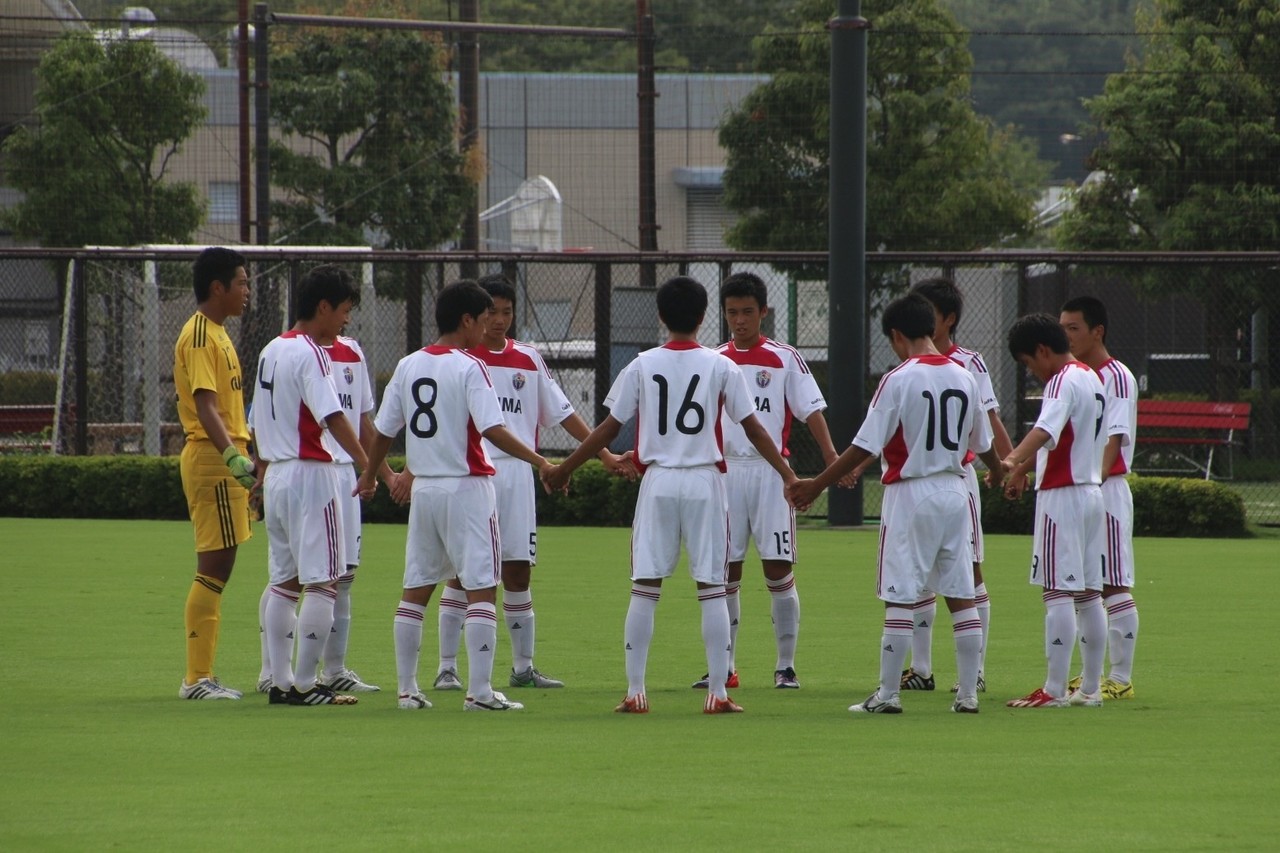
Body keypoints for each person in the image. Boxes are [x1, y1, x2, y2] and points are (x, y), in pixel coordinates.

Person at [542, 275, 799, 715]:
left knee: (645, 586)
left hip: (658, 481)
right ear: (704, 318)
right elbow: (754, 429)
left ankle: (636, 690)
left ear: (661, 317)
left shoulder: (642, 363)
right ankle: (717, 693)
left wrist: (565, 466)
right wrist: (788, 474)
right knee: (713, 587)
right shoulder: (722, 366)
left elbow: (608, 426)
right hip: (704, 480)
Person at [788, 293, 1000, 714]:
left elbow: (862, 446)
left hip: (911, 493)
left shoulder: (898, 378)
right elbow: (984, 443)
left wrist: (817, 485)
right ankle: (969, 695)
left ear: (897, 335)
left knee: (900, 594)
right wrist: (1001, 470)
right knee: (961, 592)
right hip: (957, 491)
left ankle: (887, 695)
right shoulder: (964, 376)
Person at [358, 279, 556, 712]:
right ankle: (480, 694)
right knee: (482, 588)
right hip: (467, 488)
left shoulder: (408, 365)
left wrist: (373, 477)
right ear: (467, 320)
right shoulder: (471, 367)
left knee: (416, 590)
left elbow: (382, 433)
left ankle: (408, 690)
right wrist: (540, 461)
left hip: (425, 491)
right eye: (484, 319)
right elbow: (493, 430)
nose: (488, 328)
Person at [429, 274, 629, 693]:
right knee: (460, 573)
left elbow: (561, 411)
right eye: (492, 313)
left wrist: (605, 453)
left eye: (506, 312)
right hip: (471, 473)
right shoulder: (460, 361)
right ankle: (447, 667)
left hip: (517, 477)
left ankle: (523, 667)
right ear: (476, 316)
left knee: (518, 570)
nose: (499, 321)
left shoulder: (528, 359)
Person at [693, 271, 844, 691]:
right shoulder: (714, 359)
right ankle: (724, 666)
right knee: (725, 571)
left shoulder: (784, 357)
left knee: (778, 570)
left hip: (771, 474)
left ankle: (785, 665)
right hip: (724, 474)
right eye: (731, 313)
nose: (739, 320)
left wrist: (832, 458)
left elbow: (812, 411)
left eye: (747, 312)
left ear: (763, 312)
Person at [254, 282, 399, 696]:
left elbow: (258, 419)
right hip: (312, 475)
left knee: (284, 582)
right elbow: (335, 417)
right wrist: (368, 469)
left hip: (277, 475)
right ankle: (305, 684)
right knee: (324, 582)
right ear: (323, 306)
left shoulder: (271, 349)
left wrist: (261, 471)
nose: (346, 319)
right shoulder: (311, 353)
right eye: (343, 310)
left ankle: (280, 682)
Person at [898, 277, 1014, 695]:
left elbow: (990, 420)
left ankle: (975, 671)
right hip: (920, 480)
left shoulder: (969, 362)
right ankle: (922, 668)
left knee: (969, 570)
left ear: (946, 319)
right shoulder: (906, 362)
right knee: (920, 574)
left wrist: (1009, 466)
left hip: (957, 476)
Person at [1000, 313, 1108, 708]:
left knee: (1057, 591)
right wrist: (1025, 469)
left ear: (1043, 351)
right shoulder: (1092, 378)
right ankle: (1091, 689)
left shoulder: (1061, 381)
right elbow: (1065, 436)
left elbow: (1046, 429)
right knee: (1090, 593)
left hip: (1062, 497)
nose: (1032, 371)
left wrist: (1010, 461)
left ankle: (1054, 689)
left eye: (1030, 363)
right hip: (1092, 493)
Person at [174, 247, 254, 700]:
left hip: (221, 457)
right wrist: (231, 457)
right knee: (215, 565)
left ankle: (203, 675)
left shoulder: (218, 332)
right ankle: (197, 679)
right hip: (211, 459)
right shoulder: (202, 334)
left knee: (219, 566)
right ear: (218, 287)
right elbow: (206, 404)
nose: (246, 291)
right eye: (241, 282)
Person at [1060, 296, 1139, 700]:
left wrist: (1095, 477)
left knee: (1113, 583)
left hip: (1105, 490)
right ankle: (1090, 675)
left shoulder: (1116, 375)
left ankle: (1120, 679)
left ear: (1098, 331)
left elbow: (1115, 437)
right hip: (1084, 491)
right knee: (1083, 584)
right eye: (1063, 328)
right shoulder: (1076, 375)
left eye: (1074, 327)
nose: (1066, 335)